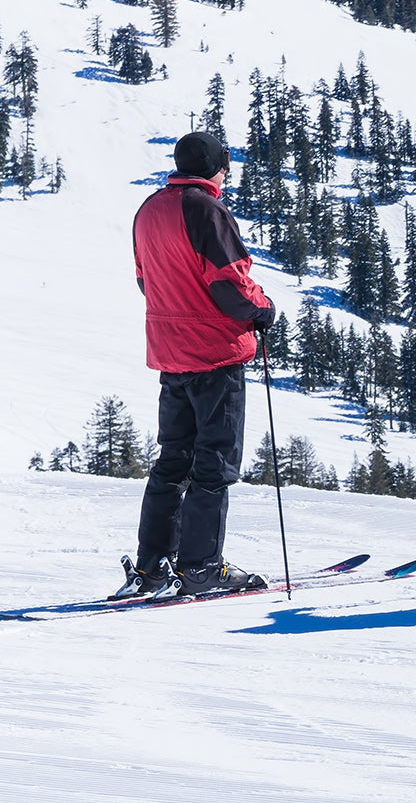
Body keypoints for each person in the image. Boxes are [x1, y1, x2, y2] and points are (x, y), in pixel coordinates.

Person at [113, 132, 276, 600]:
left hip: (171, 352)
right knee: (213, 464)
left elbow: (146, 281)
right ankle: (202, 567)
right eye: (225, 164)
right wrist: (263, 308)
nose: (227, 172)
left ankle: (152, 567)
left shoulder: (149, 210)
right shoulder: (205, 209)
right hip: (215, 353)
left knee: (172, 461)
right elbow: (229, 286)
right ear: (215, 166)